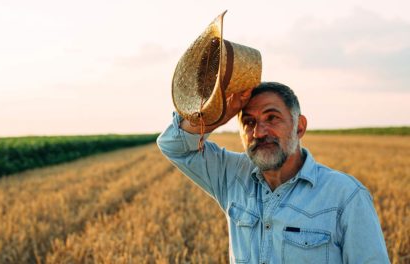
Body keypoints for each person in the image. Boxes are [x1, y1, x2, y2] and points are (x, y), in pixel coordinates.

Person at [157, 82, 390, 263]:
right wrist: (217, 112)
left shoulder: (346, 196)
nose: (259, 132)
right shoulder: (231, 176)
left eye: (272, 118)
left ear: (299, 127)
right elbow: (173, 145)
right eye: (248, 122)